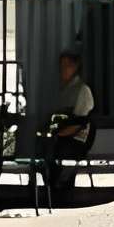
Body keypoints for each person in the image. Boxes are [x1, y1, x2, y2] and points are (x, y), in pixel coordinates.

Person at [39, 52, 94, 206]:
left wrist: (57, 135)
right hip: (60, 135)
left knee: (53, 149)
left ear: (76, 67)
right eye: (61, 66)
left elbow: (79, 123)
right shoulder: (61, 90)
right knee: (40, 148)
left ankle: (60, 188)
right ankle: (51, 187)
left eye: (67, 66)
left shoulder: (82, 90)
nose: (63, 69)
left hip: (76, 138)